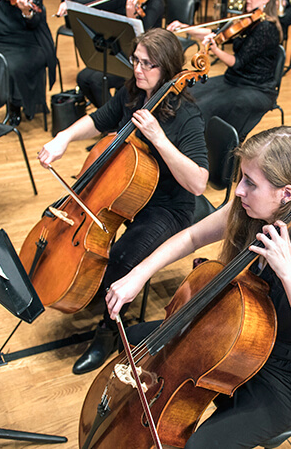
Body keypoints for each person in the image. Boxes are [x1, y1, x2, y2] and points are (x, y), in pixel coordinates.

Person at [105, 126, 291, 447]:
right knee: (134, 344)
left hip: (286, 378)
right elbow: (192, 237)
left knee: (200, 446)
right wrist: (137, 275)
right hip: (231, 337)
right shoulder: (249, 210)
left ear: (286, 194)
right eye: (241, 177)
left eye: (251, 182)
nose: (238, 191)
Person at [37, 28, 209, 375]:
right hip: (122, 192)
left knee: (119, 262)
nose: (139, 70)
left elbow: (199, 183)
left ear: (169, 69)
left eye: (149, 64)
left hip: (167, 207)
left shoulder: (186, 116)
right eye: (135, 61)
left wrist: (159, 139)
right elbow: (98, 120)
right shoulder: (132, 92)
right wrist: (64, 137)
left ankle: (108, 331)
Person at [168, 0, 281, 140]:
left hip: (255, 88)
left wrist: (215, 50)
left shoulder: (266, 28)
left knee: (201, 108)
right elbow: (215, 33)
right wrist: (185, 28)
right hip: (233, 80)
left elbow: (237, 62)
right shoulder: (249, 20)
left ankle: (197, 146)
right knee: (186, 93)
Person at [56, 0, 164, 108]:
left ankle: (112, 121)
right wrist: (71, 4)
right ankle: (108, 117)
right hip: (122, 54)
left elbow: (144, 35)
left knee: (96, 81)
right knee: (83, 78)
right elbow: (100, 2)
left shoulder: (156, 1)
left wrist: (131, 17)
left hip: (144, 61)